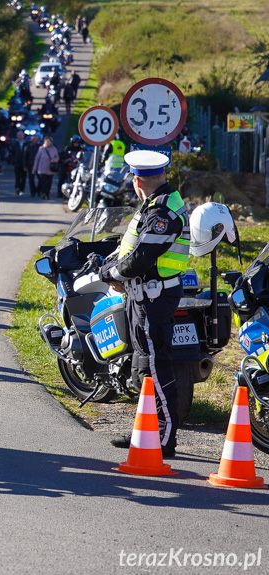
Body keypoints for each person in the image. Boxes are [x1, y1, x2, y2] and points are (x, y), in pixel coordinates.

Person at [99, 151, 190, 458]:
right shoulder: (154, 205)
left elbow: (141, 257)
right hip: (144, 294)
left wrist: (111, 272)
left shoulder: (163, 212)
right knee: (144, 364)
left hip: (154, 296)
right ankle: (147, 429)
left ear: (137, 181)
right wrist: (110, 265)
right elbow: (131, 247)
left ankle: (165, 438)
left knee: (156, 364)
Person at [32, 135, 59, 200]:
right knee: (43, 182)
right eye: (46, 141)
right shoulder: (41, 149)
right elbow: (37, 159)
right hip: (42, 168)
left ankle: (47, 194)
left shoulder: (54, 149)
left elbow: (57, 157)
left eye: (49, 141)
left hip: (50, 169)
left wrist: (54, 160)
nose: (48, 143)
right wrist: (34, 168)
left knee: (49, 182)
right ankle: (43, 193)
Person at [10, 130, 29, 196]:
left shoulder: (27, 143)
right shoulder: (15, 144)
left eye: (21, 135)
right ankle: (17, 188)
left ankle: (22, 189)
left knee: (23, 177)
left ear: (24, 136)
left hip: (25, 163)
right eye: (19, 135)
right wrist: (13, 160)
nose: (20, 137)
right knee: (17, 176)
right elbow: (12, 153)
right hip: (17, 163)